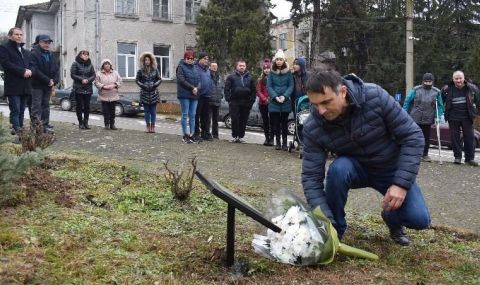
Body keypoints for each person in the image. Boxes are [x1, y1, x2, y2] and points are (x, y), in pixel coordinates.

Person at [302, 70, 430, 246]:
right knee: (338, 169)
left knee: (420, 219)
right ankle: (334, 232)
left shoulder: (375, 96)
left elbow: (413, 136)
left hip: (390, 168)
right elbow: (311, 177)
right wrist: (324, 220)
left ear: (343, 92)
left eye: (326, 102)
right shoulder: (313, 127)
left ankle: (391, 218)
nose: (321, 110)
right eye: (315, 105)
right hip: (354, 169)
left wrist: (401, 184)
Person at [441, 71, 480, 166]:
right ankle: (457, 157)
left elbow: (477, 99)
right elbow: (441, 100)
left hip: (467, 117)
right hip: (453, 117)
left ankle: (469, 159)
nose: (458, 80)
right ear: (453, 79)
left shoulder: (471, 88)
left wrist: (474, 111)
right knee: (455, 138)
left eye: (460, 78)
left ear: (463, 78)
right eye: (456, 79)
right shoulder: (447, 89)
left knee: (469, 138)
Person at [403, 73, 444, 162]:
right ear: (423, 81)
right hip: (415, 118)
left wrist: (438, 116)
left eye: (429, 81)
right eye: (426, 81)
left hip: (428, 118)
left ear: (432, 82)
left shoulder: (436, 92)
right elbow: (407, 101)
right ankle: (412, 154)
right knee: (414, 136)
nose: (428, 83)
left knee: (426, 137)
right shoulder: (416, 90)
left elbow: (440, 106)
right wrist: (405, 113)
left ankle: (425, 154)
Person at [0, 27, 32, 138]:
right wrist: (23, 71)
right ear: (10, 36)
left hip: (25, 85)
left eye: (21, 34)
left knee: (22, 110)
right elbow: (6, 64)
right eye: (16, 34)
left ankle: (19, 130)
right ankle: (18, 134)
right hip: (13, 85)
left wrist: (30, 71)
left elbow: (30, 65)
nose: (19, 36)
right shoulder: (4, 48)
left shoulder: (25, 51)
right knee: (16, 110)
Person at [29, 34, 59, 133]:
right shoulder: (33, 54)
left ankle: (45, 125)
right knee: (37, 106)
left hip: (48, 85)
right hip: (37, 85)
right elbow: (35, 70)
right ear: (39, 42)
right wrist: (48, 80)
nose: (47, 44)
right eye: (45, 42)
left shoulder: (51, 54)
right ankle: (36, 127)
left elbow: (55, 68)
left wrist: (54, 80)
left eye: (49, 42)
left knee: (46, 105)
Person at [224, 60, 256, 143]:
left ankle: (241, 137)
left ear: (245, 67)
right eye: (240, 65)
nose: (242, 67)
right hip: (234, 101)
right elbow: (226, 89)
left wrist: (251, 101)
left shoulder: (250, 77)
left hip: (246, 102)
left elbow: (254, 90)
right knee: (234, 119)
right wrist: (228, 99)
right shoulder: (231, 77)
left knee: (243, 120)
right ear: (237, 67)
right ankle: (235, 136)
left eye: (243, 66)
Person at [267, 49, 294, 150]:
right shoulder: (271, 73)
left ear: (284, 61)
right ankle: (278, 142)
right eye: (277, 59)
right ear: (275, 61)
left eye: (280, 59)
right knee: (276, 123)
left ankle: (284, 143)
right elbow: (269, 86)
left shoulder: (288, 73)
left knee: (284, 123)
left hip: (285, 101)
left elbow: (291, 86)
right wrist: (275, 97)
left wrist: (285, 96)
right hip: (274, 102)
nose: (279, 61)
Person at [176, 50, 200, 144]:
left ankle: (192, 134)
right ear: (185, 58)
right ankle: (185, 135)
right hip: (184, 94)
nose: (190, 60)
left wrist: (197, 88)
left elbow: (199, 80)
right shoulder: (180, 67)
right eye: (188, 58)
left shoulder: (195, 68)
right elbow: (181, 80)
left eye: (192, 58)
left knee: (193, 115)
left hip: (194, 94)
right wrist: (192, 88)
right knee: (185, 114)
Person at [136, 52, 162, 133]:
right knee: (146, 112)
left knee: (153, 112)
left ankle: (153, 127)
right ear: (143, 61)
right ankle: (147, 127)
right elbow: (137, 80)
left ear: (151, 61)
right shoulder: (141, 70)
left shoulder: (155, 70)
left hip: (153, 93)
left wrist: (155, 84)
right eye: (145, 60)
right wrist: (143, 85)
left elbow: (160, 79)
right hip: (145, 93)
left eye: (148, 60)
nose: (147, 61)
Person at [70, 50, 96, 130]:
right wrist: (81, 79)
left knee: (87, 106)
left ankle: (86, 123)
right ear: (80, 55)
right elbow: (72, 74)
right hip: (78, 88)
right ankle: (80, 123)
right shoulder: (75, 63)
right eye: (84, 54)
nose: (86, 56)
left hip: (88, 88)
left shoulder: (90, 65)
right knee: (79, 106)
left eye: (87, 55)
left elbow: (93, 75)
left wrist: (88, 80)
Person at [94, 59, 122, 130]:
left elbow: (120, 81)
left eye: (108, 64)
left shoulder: (115, 73)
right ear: (103, 66)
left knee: (112, 111)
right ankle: (106, 124)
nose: (107, 65)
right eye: (105, 64)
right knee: (105, 111)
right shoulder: (99, 73)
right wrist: (103, 86)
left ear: (110, 65)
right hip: (104, 96)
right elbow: (96, 82)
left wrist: (114, 85)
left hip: (113, 95)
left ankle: (112, 124)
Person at [193, 52, 213, 141]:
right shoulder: (195, 68)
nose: (206, 60)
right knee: (196, 115)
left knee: (206, 116)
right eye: (204, 58)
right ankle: (196, 133)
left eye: (207, 59)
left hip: (207, 96)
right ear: (199, 59)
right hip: (198, 96)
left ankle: (205, 133)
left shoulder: (207, 70)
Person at [256, 59, 274, 146]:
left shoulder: (274, 78)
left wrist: (270, 98)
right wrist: (264, 99)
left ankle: (271, 139)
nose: (267, 70)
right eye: (265, 68)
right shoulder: (260, 80)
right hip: (263, 104)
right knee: (265, 122)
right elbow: (259, 91)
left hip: (272, 103)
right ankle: (267, 138)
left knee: (272, 121)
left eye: (268, 68)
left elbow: (275, 90)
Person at [208, 62, 223, 139]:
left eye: (216, 66)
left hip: (217, 101)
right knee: (208, 119)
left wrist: (221, 96)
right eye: (213, 66)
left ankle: (215, 134)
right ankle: (207, 133)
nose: (214, 68)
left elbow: (220, 87)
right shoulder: (207, 75)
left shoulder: (219, 77)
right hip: (209, 100)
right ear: (210, 67)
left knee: (215, 120)